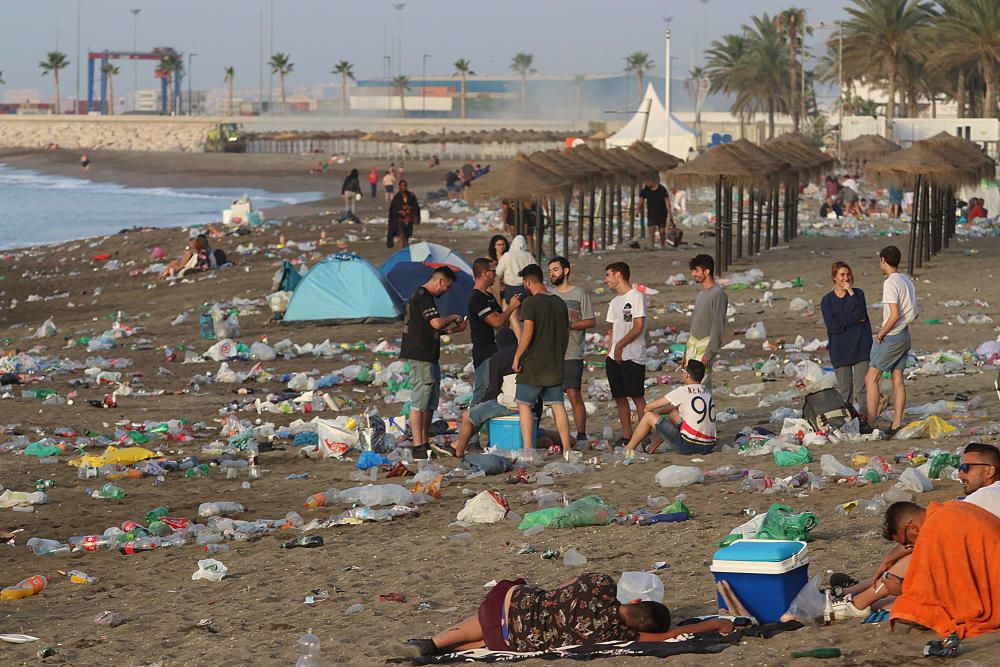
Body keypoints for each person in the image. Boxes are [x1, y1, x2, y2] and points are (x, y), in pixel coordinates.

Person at [831, 443, 1000, 620]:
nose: (960, 474)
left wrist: (892, 562)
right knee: (906, 582)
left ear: (989, 471)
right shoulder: (985, 496)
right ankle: (853, 594)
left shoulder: (986, 496)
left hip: (988, 583)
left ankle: (856, 602)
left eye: (966, 468)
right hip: (984, 575)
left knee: (923, 552)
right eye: (960, 468)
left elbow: (932, 529)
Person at [402, 572, 735, 657]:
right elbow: (667, 636)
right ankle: (446, 649)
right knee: (501, 632)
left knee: (519, 603)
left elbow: (560, 588)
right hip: (507, 640)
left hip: (506, 605)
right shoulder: (616, 635)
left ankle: (434, 642)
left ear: (634, 601)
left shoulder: (601, 583)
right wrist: (714, 623)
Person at [879, 501, 1000, 638]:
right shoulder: (952, 507)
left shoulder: (934, 529)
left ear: (912, 528)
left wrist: (901, 590)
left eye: (907, 543)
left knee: (904, 610)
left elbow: (948, 592)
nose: (911, 547)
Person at [400, 267, 467, 459]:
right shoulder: (423, 296)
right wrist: (453, 317)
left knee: (430, 400)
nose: (446, 291)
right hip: (420, 356)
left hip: (429, 356)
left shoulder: (425, 298)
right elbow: (436, 323)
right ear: (439, 281)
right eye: (447, 286)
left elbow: (430, 330)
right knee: (420, 400)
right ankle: (418, 444)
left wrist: (454, 331)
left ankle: (424, 440)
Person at [512, 264, 572, 454]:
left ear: (527, 282)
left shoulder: (531, 303)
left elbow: (527, 333)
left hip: (534, 364)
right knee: (557, 405)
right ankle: (567, 448)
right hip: (555, 362)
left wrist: (517, 356)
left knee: (524, 405)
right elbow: (566, 332)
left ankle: (529, 449)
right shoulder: (560, 303)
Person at [864, 245, 917, 439]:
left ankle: (870, 422)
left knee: (871, 378)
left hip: (892, 335)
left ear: (883, 260)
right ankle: (896, 423)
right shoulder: (906, 280)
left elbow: (894, 314)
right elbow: (914, 312)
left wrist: (880, 334)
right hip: (905, 334)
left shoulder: (890, 283)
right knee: (897, 380)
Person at [548, 257, 597, 442]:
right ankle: (563, 436)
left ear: (566, 270)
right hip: (552, 354)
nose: (552, 274)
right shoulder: (549, 295)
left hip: (573, 352)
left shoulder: (579, 293)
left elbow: (591, 321)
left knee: (573, 393)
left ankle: (581, 434)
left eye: (555, 269)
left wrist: (570, 325)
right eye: (550, 271)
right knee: (554, 398)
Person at [624, 359, 717, 456]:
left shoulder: (683, 391)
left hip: (690, 446)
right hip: (709, 445)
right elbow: (672, 407)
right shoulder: (706, 391)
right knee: (674, 414)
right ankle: (651, 447)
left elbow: (648, 407)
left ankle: (628, 450)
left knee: (648, 416)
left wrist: (649, 422)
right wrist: (659, 416)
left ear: (687, 375)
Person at [604, 262, 647, 446]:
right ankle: (627, 435)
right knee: (619, 397)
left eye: (608, 275)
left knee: (637, 397)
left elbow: (638, 327)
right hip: (615, 357)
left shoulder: (636, 297)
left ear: (618, 275)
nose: (606, 280)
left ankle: (644, 434)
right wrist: (610, 351)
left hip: (633, 355)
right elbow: (613, 328)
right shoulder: (614, 301)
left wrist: (620, 346)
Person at [820, 261, 872, 410]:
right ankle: (848, 423)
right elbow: (833, 326)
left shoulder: (858, 294)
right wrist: (853, 320)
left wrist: (850, 293)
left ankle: (867, 421)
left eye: (848, 274)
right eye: (842, 275)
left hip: (861, 346)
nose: (846, 278)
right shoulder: (827, 300)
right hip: (840, 350)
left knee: (863, 389)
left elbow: (861, 314)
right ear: (834, 277)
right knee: (845, 392)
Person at [468, 258, 520, 404]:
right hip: (484, 352)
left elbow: (503, 320)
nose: (496, 275)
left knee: (495, 391)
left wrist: (509, 313)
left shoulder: (488, 296)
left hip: (495, 350)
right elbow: (496, 322)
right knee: (482, 392)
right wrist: (511, 307)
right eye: (493, 271)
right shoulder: (476, 298)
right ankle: (471, 423)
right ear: (485, 273)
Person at [686, 254, 727, 389]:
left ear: (707, 271)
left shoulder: (718, 294)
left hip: (705, 346)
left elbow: (718, 324)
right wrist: (687, 350)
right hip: (693, 345)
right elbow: (696, 323)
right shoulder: (701, 294)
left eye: (696, 271)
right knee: (692, 386)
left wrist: (710, 352)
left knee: (699, 387)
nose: (693, 274)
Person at [636, 175, 673, 249]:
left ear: (652, 181)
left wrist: (670, 212)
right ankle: (652, 246)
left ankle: (663, 245)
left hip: (662, 213)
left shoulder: (661, 189)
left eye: (647, 182)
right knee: (651, 230)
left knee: (662, 231)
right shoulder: (645, 190)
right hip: (651, 213)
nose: (646, 183)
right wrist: (637, 210)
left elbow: (667, 201)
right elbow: (641, 201)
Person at [386, 179, 420, 249]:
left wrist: (410, 210)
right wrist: (400, 211)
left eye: (405, 185)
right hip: (400, 219)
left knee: (407, 236)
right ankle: (402, 250)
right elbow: (393, 210)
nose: (404, 187)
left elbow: (416, 207)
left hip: (409, 218)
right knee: (401, 235)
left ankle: (405, 249)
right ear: (399, 187)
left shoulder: (411, 196)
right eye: (402, 186)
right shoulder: (397, 197)